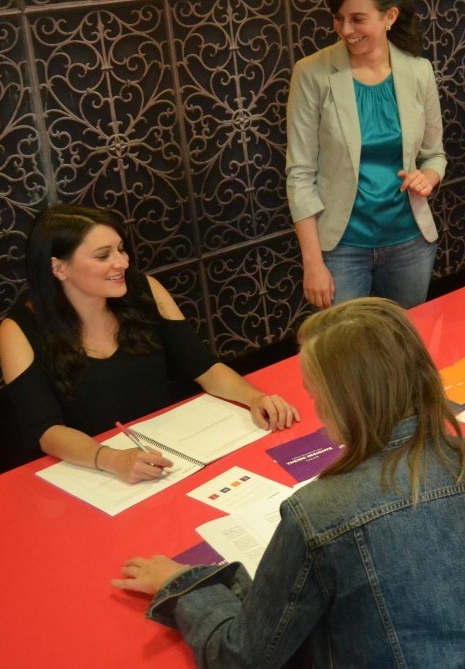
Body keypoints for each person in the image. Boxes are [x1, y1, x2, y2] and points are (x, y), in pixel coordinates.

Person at [113, 298, 465, 669]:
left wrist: (186, 586)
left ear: (343, 400)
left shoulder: (318, 512)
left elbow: (240, 662)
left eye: (314, 393)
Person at [0, 205, 298, 478]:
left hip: (170, 450)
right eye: (103, 256)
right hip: (91, 470)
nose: (122, 263)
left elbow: (204, 367)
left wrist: (254, 398)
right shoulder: (17, 331)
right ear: (59, 268)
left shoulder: (145, 290)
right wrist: (112, 459)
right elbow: (47, 431)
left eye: (121, 249)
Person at [286, 0, 446, 310]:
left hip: (410, 241)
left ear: (390, 16)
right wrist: (313, 263)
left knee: (405, 337)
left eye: (357, 19)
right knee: (344, 341)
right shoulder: (311, 73)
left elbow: (435, 155)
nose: (346, 30)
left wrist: (428, 177)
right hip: (341, 248)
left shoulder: (419, 71)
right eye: (338, 18)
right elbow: (300, 175)